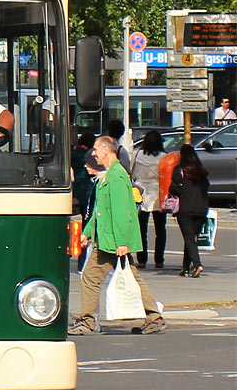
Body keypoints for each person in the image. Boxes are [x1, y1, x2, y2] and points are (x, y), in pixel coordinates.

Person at [69, 135, 165, 336]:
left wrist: (121, 242)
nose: (94, 154)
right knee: (131, 276)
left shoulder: (117, 176)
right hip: (108, 238)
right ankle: (154, 317)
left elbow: (122, 212)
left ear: (106, 151)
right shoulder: (110, 174)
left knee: (90, 277)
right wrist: (87, 233)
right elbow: (99, 210)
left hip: (112, 240)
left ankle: (88, 321)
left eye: (96, 150)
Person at [169, 144, 210, 278]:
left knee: (188, 237)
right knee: (191, 238)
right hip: (201, 208)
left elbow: (174, 189)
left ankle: (197, 264)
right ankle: (186, 268)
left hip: (185, 208)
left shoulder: (179, 170)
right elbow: (206, 187)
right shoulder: (202, 171)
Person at [130, 130, 167, 269]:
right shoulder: (163, 157)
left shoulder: (137, 154)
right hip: (158, 193)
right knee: (160, 229)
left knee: (141, 229)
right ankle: (159, 259)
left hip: (140, 192)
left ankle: (142, 259)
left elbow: (132, 173)